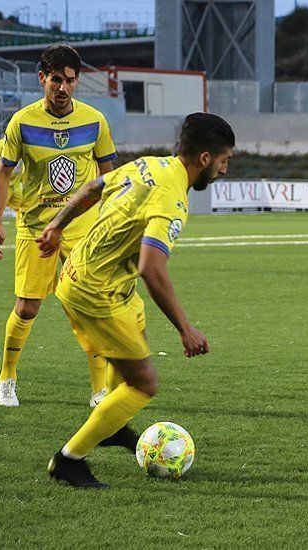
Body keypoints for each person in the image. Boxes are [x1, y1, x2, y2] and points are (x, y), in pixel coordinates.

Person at [36, 113, 234, 488]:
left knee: (137, 318)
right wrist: (185, 328)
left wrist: (56, 225)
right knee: (143, 383)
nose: (225, 170)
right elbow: (151, 267)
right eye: (225, 161)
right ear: (205, 159)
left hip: (81, 271)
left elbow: (95, 187)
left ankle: (112, 422)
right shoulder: (173, 199)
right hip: (96, 292)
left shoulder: (149, 165)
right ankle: (68, 460)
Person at [0, 43, 117, 407]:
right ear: (42, 78)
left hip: (82, 228)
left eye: (71, 81)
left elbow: (109, 177)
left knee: (87, 305)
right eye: (56, 80)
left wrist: (112, 224)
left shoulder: (95, 121)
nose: (63, 88)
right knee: (28, 307)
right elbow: (2, 176)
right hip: (36, 226)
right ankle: (7, 378)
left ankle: (99, 390)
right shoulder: (22, 121)